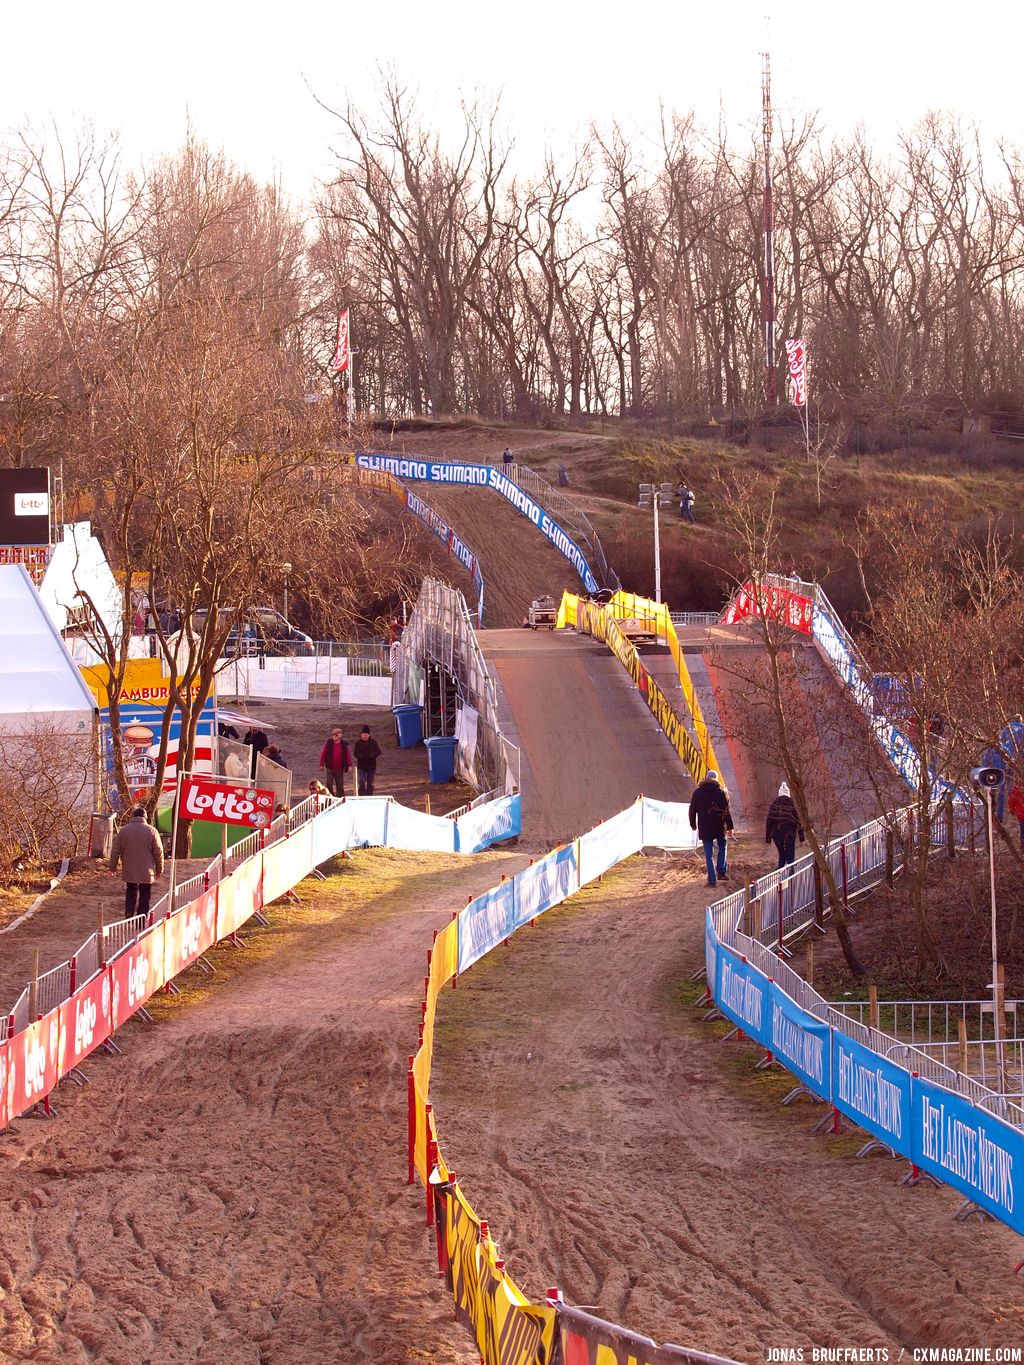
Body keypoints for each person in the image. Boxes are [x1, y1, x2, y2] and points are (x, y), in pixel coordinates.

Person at [108, 807, 164, 918]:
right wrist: (159, 869)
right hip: (146, 870)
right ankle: (141, 917)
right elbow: (159, 852)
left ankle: (129, 912)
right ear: (145, 818)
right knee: (145, 893)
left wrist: (112, 868)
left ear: (133, 817)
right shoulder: (152, 831)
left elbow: (115, 851)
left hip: (129, 868)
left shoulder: (124, 830)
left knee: (131, 890)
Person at [689, 770, 734, 887]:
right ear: (716, 779)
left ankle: (712, 880)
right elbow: (726, 811)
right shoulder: (721, 792)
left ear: (706, 778)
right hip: (719, 826)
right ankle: (722, 872)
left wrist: (693, 824)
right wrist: (730, 827)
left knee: (708, 854)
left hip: (705, 826)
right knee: (723, 846)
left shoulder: (697, 793)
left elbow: (692, 810)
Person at [765, 781, 805, 868]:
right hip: (790, 833)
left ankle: (782, 875)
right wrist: (801, 837)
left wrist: (768, 838)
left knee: (781, 854)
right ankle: (791, 876)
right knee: (790, 856)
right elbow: (797, 821)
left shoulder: (774, 804)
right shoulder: (791, 804)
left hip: (776, 833)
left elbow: (769, 821)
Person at [319, 726, 352, 797]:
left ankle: (340, 798)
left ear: (340, 735)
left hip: (339, 768)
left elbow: (348, 755)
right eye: (333, 735)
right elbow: (323, 753)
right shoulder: (329, 743)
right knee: (329, 783)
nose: (334, 736)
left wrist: (349, 765)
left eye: (336, 735)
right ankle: (331, 796)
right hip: (330, 767)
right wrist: (321, 764)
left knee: (339, 785)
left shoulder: (344, 745)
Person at [353, 725, 383, 796]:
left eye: (366, 735)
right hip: (361, 765)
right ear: (361, 735)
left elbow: (378, 751)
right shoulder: (358, 743)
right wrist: (361, 756)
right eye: (363, 735)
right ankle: (361, 796)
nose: (364, 736)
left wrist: (372, 755)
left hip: (371, 765)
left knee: (370, 783)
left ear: (369, 735)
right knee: (361, 781)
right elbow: (355, 753)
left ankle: (369, 796)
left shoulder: (373, 742)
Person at [1009, 782, 1024, 852]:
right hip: (1021, 812)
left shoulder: (1017, 787)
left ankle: (1023, 846)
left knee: (1023, 830)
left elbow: (1012, 799)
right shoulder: (1017, 788)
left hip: (1021, 813)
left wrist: (1012, 809)